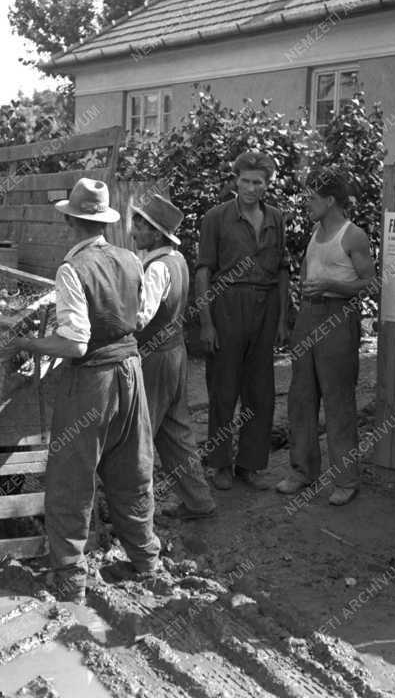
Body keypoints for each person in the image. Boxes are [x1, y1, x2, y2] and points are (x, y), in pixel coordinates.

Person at [2, 178, 161, 603]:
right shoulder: (130, 259)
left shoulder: (71, 269)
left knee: (71, 477)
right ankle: (146, 560)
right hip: (131, 371)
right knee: (133, 468)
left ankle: (70, 576)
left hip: (92, 379)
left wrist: (27, 343)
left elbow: (75, 342)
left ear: (70, 220)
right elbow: (139, 317)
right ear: (104, 221)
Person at [275, 165, 376, 506]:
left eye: (312, 197)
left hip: (338, 317)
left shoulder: (353, 235)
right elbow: (306, 278)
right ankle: (303, 470)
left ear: (331, 200)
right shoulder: (314, 234)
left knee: (338, 400)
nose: (306, 202)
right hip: (309, 315)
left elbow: (371, 283)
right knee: (301, 397)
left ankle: (346, 479)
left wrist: (333, 285)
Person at [196, 151, 289, 491]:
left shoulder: (276, 218)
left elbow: (282, 270)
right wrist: (206, 321)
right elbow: (204, 270)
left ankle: (250, 464)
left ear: (268, 184)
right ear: (236, 180)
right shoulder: (216, 218)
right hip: (227, 304)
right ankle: (220, 464)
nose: (251, 188)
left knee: (261, 391)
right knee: (223, 389)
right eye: (246, 181)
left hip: (265, 307)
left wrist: (281, 318)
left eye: (258, 182)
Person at [130, 194, 216, 520]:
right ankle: (199, 502)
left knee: (138, 438)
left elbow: (140, 317)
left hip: (155, 359)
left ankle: (137, 514)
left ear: (156, 234)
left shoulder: (157, 269)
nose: (134, 229)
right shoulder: (177, 260)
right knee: (176, 432)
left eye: (140, 225)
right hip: (175, 354)